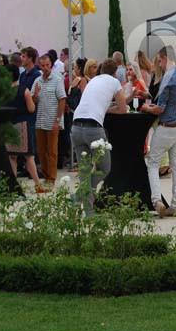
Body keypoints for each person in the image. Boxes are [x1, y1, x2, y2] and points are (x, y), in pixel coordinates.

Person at [71, 59, 128, 213]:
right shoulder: (115, 82)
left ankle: (88, 213)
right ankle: (78, 197)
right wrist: (107, 110)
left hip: (76, 126)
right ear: (115, 72)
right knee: (104, 168)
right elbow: (123, 109)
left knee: (84, 171)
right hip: (94, 128)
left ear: (101, 70)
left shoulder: (93, 80)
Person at [142, 46, 176, 217]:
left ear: (163, 58)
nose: (159, 65)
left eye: (159, 61)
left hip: (166, 127)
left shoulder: (167, 79)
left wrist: (147, 107)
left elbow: (160, 109)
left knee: (153, 163)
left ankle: (156, 201)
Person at [9, 47, 46, 193]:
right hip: (24, 122)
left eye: (24, 56)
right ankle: (37, 184)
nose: (22, 59)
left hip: (13, 123)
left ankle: (13, 184)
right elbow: (31, 108)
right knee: (28, 155)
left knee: (13, 156)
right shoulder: (23, 86)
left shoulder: (4, 91)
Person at [32, 55, 67, 187]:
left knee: (52, 150)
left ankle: (51, 178)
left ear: (51, 65)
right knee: (41, 151)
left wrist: (57, 120)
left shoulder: (57, 79)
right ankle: (45, 175)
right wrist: (35, 95)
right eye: (43, 66)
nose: (46, 68)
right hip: (40, 120)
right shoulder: (37, 81)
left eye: (48, 65)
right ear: (39, 66)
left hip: (53, 120)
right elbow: (33, 101)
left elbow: (62, 99)